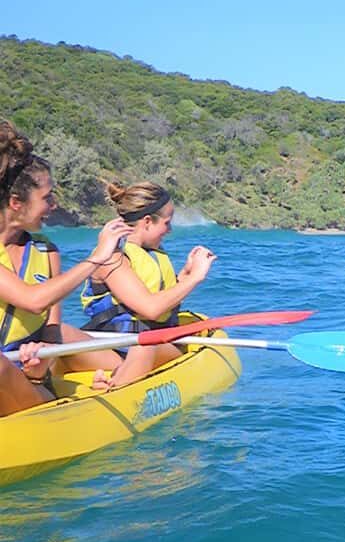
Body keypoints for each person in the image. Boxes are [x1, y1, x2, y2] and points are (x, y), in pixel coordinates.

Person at [0, 119, 131, 416]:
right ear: (16, 202)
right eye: (47, 197)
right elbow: (33, 300)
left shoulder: (47, 253)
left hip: (31, 385)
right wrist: (95, 259)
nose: (54, 205)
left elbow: (51, 329)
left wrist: (39, 367)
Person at [81, 180, 216, 388]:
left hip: (153, 346)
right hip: (114, 348)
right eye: (167, 223)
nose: (169, 230)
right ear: (147, 222)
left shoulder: (150, 252)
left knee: (144, 345)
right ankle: (113, 384)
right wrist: (196, 277)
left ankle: (115, 382)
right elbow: (151, 309)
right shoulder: (111, 257)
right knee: (59, 332)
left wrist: (184, 276)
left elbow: (156, 300)